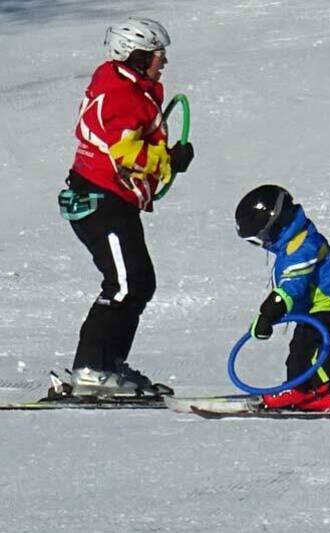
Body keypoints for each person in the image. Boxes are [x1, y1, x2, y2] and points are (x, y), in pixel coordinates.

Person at [61, 17, 194, 395]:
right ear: (134, 57)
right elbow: (126, 154)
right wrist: (168, 159)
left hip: (111, 199)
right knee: (125, 284)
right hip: (102, 199)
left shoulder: (121, 82)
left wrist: (164, 157)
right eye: (157, 55)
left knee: (138, 282)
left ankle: (109, 365)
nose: (163, 61)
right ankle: (91, 368)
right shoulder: (124, 95)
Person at [235, 185, 330, 411]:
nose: (264, 243)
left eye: (262, 237)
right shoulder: (293, 242)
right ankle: (318, 391)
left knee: (306, 347)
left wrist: (269, 312)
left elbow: (293, 285)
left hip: (326, 304)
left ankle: (306, 391)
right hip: (313, 307)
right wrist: (269, 317)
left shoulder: (303, 244)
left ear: (276, 224)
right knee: (308, 346)